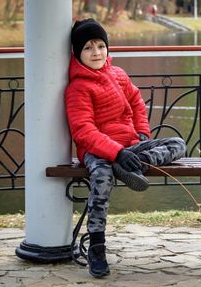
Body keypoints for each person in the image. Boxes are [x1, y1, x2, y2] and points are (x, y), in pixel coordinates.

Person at [65, 18, 187, 277]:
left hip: (130, 148)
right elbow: (83, 131)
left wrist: (143, 135)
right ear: (77, 53)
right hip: (98, 151)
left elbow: (136, 102)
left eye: (100, 45)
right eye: (88, 48)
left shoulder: (118, 74)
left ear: (108, 47)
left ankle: (134, 166)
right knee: (101, 175)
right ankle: (97, 248)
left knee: (178, 143)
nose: (96, 52)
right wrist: (116, 153)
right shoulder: (78, 88)